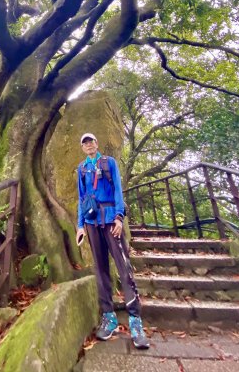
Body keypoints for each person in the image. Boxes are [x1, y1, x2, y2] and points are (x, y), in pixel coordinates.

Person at [76, 132, 150, 349]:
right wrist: (80, 226)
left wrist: (119, 217)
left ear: (97, 144)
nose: (89, 145)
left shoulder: (109, 163)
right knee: (100, 270)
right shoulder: (81, 169)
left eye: (91, 141)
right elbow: (81, 198)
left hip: (110, 220)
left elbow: (118, 189)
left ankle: (136, 322)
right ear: (83, 147)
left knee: (124, 268)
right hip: (91, 222)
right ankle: (109, 317)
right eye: (85, 143)